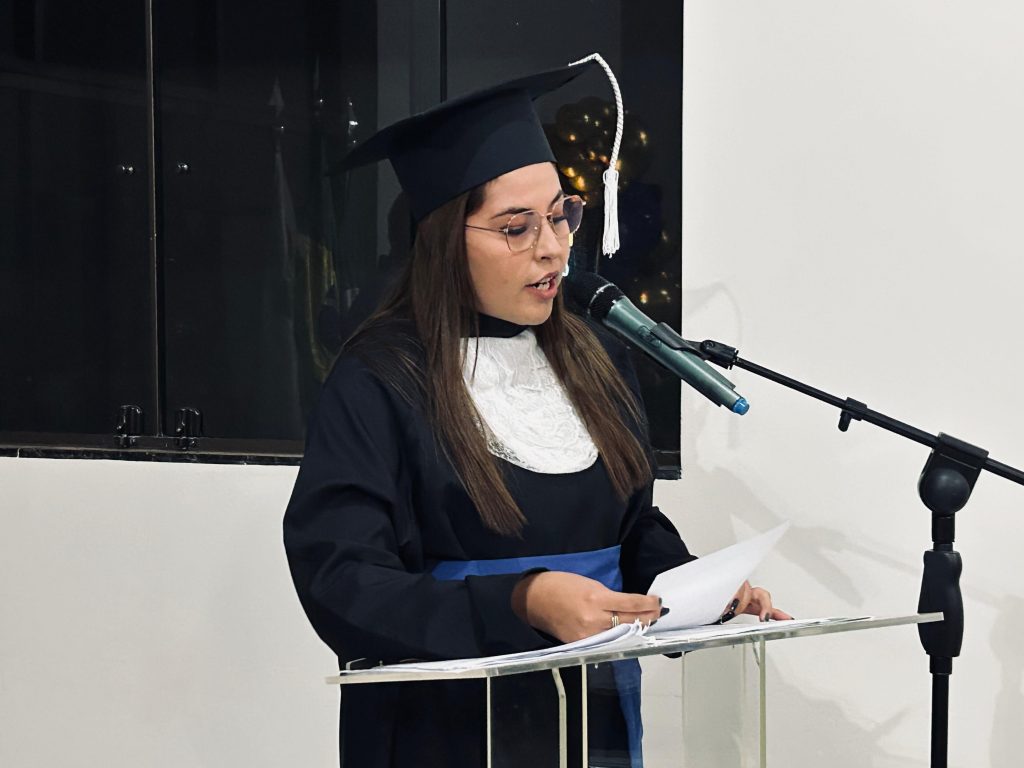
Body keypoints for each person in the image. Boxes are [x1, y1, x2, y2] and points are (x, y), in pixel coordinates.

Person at [283, 58, 789, 768]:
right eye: (516, 228)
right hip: (443, 733)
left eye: (561, 215)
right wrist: (520, 602)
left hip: (594, 723)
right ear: (441, 240)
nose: (552, 248)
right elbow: (341, 583)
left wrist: (692, 593)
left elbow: (629, 527)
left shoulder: (594, 358)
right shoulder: (379, 379)